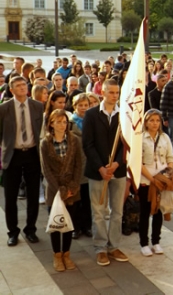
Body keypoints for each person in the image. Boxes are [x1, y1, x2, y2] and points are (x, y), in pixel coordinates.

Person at [82, 79, 128, 266]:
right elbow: (88, 144)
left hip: (118, 169)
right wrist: (101, 168)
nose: (115, 96)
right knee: (99, 211)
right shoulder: (91, 114)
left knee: (117, 211)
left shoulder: (124, 115)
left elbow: (127, 143)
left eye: (117, 93)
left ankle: (114, 245)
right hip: (97, 170)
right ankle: (100, 247)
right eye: (111, 92)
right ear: (103, 92)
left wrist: (116, 164)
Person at [0, 76, 44, 247]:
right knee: (10, 196)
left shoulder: (37, 106)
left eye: (24, 84)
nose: (22, 87)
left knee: (33, 194)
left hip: (32, 154)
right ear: (11, 90)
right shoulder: (4, 108)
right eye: (18, 85)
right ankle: (13, 232)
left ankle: (30, 229)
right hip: (13, 155)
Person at [40, 109, 83, 271]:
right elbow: (46, 169)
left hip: (71, 188)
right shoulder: (45, 143)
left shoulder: (74, 140)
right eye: (58, 122)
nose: (62, 125)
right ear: (51, 124)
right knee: (56, 222)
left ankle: (66, 253)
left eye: (64, 122)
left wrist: (73, 186)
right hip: (54, 189)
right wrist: (59, 190)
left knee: (68, 223)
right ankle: (57, 254)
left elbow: (78, 164)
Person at [139, 109, 173, 256]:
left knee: (159, 210)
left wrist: (167, 174)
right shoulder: (140, 138)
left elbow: (170, 157)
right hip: (146, 180)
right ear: (146, 122)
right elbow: (138, 162)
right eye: (151, 120)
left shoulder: (165, 137)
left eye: (157, 120)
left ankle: (156, 241)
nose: (155, 123)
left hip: (162, 179)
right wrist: (152, 179)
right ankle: (144, 243)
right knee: (145, 211)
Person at [69, 93, 93, 239]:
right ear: (75, 106)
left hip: (89, 165)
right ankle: (76, 227)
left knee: (87, 199)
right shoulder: (70, 122)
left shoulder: (92, 120)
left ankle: (87, 226)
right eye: (80, 105)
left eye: (86, 105)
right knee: (75, 200)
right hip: (76, 166)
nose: (83, 108)